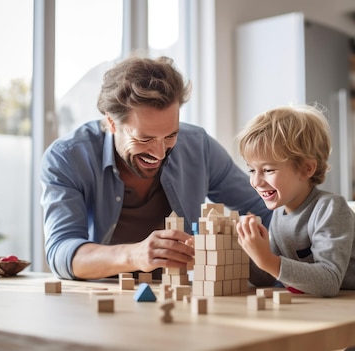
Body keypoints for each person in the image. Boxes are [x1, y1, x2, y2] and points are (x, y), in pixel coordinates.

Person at [41, 54, 271, 281]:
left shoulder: (198, 146)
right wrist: (135, 255)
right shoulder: (66, 158)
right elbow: (61, 252)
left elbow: (264, 209)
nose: (160, 153)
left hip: (176, 296)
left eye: (171, 135)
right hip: (103, 298)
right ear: (111, 122)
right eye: (144, 139)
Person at [235, 104, 355, 351]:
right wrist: (249, 252)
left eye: (268, 169)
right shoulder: (279, 218)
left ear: (307, 168)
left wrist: (267, 260)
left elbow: (328, 280)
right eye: (252, 169)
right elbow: (268, 277)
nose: (255, 180)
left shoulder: (329, 208)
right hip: (354, 314)